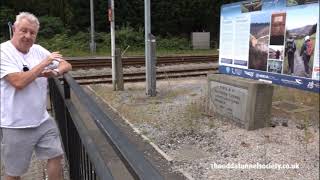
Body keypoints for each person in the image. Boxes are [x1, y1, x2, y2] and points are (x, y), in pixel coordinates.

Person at [0, 12, 72, 180]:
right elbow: (18, 82)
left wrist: (55, 71)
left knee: (56, 156)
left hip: (42, 120)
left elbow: (66, 64)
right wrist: (44, 64)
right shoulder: (3, 52)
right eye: (23, 30)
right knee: (14, 173)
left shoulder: (38, 50)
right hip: (15, 125)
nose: (28, 36)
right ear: (14, 29)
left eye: (32, 33)